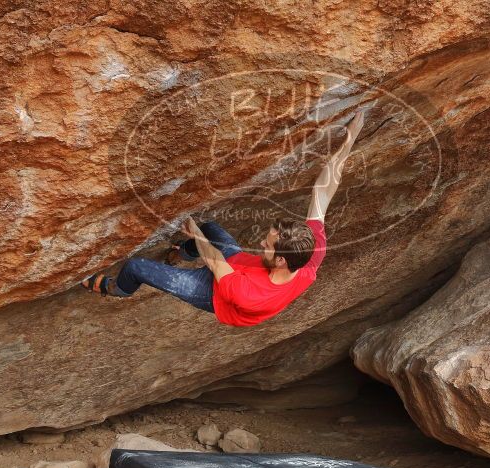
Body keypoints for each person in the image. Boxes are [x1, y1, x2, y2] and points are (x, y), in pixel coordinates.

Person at [82, 110, 366, 327]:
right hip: (236, 266)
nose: (262, 244)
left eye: (268, 246)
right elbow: (324, 190)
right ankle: (181, 252)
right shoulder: (308, 256)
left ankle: (117, 288)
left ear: (281, 259)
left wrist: (196, 234)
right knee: (211, 228)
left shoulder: (250, 295)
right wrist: (351, 138)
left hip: (213, 294)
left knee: (137, 267)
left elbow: (214, 260)